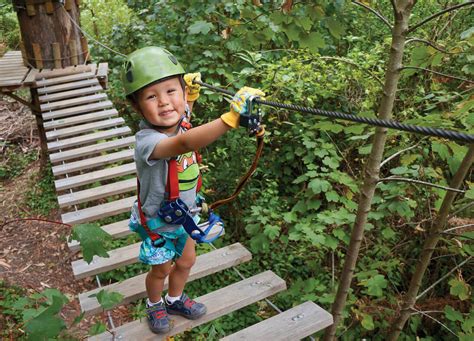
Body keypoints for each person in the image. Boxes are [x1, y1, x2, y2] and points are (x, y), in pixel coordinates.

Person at [122, 46, 264, 334]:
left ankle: (174, 299)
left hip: (184, 214)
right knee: (160, 270)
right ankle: (154, 303)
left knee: (187, 261)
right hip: (159, 222)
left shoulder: (179, 115)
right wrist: (229, 120)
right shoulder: (147, 142)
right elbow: (185, 143)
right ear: (137, 107)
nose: (164, 103)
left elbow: (184, 118)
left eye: (171, 91)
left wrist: (192, 98)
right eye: (151, 96)